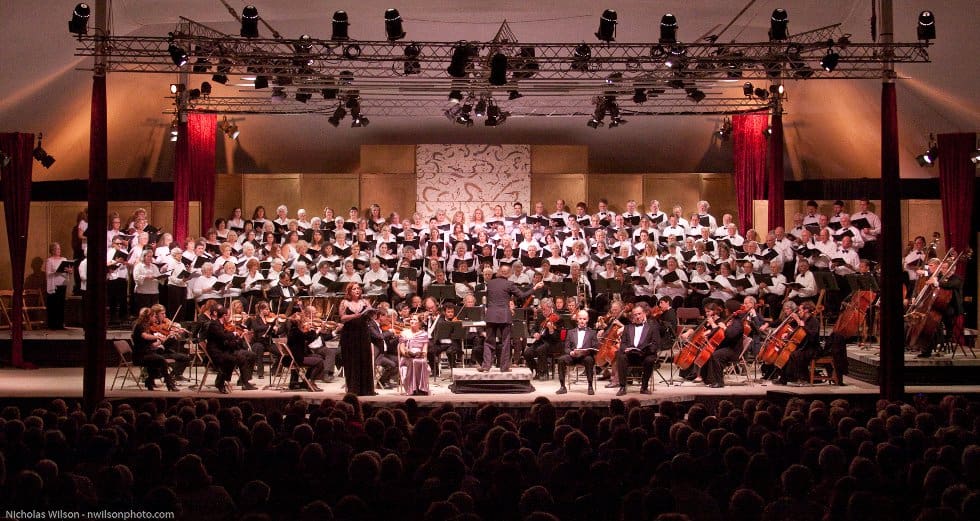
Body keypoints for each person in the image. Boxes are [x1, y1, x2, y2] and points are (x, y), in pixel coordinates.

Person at [481, 263, 543, 372]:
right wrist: (535, 287)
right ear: (509, 274)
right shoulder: (509, 284)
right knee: (505, 342)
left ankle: (486, 366)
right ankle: (504, 367)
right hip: (504, 316)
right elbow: (522, 295)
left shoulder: (489, 283)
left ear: (499, 272)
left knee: (489, 341)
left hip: (491, 315)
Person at [205, 306, 258, 393]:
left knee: (251, 355)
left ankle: (244, 381)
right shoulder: (214, 324)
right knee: (237, 358)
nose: (230, 318)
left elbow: (226, 339)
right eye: (229, 316)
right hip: (217, 352)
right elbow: (222, 336)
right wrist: (233, 334)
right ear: (224, 316)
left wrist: (238, 338)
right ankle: (221, 382)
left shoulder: (221, 324)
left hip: (225, 349)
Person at [338, 282, 377, 396]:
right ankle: (353, 388)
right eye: (354, 289)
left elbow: (371, 316)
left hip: (363, 332)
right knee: (352, 359)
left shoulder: (365, 301)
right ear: (349, 291)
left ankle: (366, 389)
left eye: (358, 288)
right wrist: (355, 316)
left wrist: (371, 311)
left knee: (364, 358)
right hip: (350, 333)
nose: (357, 290)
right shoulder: (344, 302)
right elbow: (342, 318)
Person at [616, 302, 661, 396]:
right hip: (631, 355)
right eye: (635, 315)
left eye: (639, 314)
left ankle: (644, 387)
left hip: (645, 355)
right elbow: (623, 343)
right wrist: (625, 349)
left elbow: (655, 344)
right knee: (620, 356)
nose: (637, 316)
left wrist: (646, 351)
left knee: (650, 359)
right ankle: (622, 387)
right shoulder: (628, 328)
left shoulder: (652, 328)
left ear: (644, 314)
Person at [131, 307, 178, 391]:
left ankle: (149, 381)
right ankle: (169, 383)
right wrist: (157, 336)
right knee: (161, 360)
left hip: (147, 353)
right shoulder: (140, 326)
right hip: (140, 355)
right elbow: (144, 336)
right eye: (153, 316)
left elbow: (152, 345)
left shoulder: (147, 327)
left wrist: (162, 340)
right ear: (148, 317)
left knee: (157, 363)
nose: (155, 318)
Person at [776, 301, 821, 385]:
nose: (798, 311)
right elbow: (797, 332)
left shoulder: (814, 321)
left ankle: (799, 378)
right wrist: (788, 335)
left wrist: (802, 325)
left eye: (800, 310)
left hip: (813, 348)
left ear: (806, 310)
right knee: (783, 351)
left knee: (795, 355)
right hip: (803, 346)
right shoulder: (803, 320)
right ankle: (784, 378)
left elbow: (813, 337)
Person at [557, 310, 597, 395]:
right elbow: (566, 348)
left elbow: (595, 348)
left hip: (585, 357)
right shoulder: (571, 332)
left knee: (589, 360)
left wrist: (587, 351)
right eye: (580, 318)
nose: (582, 321)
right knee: (561, 359)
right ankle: (562, 386)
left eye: (584, 319)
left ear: (588, 319)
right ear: (577, 319)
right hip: (573, 356)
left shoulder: (592, 332)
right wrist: (571, 352)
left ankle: (590, 386)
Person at [398, 314, 431, 396]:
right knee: (413, 362)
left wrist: (422, 354)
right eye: (411, 319)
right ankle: (412, 389)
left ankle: (422, 389)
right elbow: (401, 348)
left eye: (415, 319)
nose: (412, 321)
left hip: (419, 357)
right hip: (407, 357)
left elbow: (425, 349)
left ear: (419, 323)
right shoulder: (404, 333)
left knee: (422, 362)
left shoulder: (424, 334)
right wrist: (407, 353)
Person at [366, 309, 398, 389]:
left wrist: (396, 338)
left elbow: (384, 340)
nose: (387, 319)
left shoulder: (379, 326)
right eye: (386, 317)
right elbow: (379, 336)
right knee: (392, 365)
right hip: (376, 356)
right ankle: (381, 382)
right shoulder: (371, 325)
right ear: (380, 316)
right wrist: (389, 332)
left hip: (384, 354)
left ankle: (385, 381)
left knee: (398, 361)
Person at [44, 242, 72, 329]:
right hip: (53, 285)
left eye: (59, 249)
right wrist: (56, 272)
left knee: (61, 304)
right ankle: (52, 324)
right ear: (52, 250)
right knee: (53, 305)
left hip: (62, 284)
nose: (59, 250)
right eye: (56, 249)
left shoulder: (64, 259)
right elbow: (47, 274)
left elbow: (68, 272)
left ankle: (60, 324)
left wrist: (69, 271)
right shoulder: (49, 260)